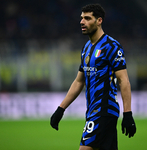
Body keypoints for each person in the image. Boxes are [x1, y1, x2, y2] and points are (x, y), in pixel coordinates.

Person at [50, 3, 136, 150]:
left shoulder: (112, 46)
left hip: (104, 111)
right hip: (92, 111)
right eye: (81, 18)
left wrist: (127, 113)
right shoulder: (87, 48)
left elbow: (124, 80)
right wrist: (60, 109)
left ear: (99, 20)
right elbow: (79, 81)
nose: (82, 22)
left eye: (87, 18)